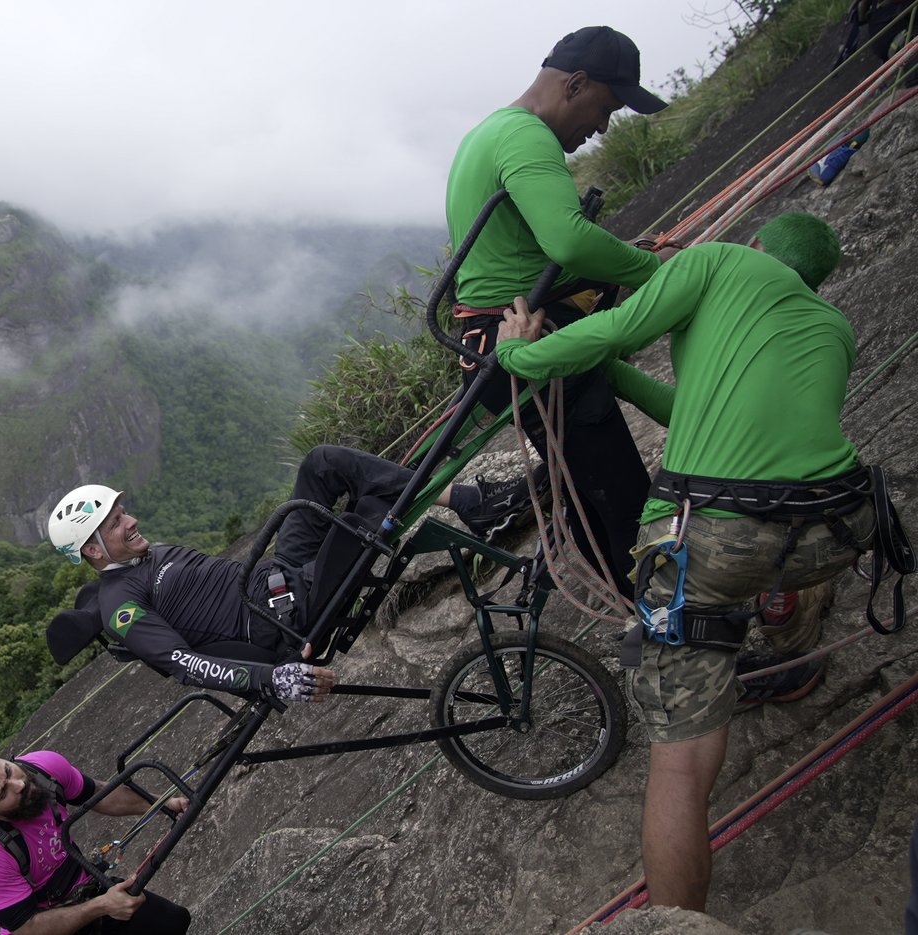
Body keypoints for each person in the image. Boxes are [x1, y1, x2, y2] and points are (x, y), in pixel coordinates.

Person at [494, 212, 875, 910]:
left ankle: (678, 925)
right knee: (774, 555)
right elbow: (693, 408)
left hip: (714, 536)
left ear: (756, 243)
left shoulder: (719, 261)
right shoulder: (831, 327)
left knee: (681, 755)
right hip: (839, 525)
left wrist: (521, 354)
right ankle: (787, 623)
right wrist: (603, 369)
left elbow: (618, 327)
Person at [444, 25, 676, 597]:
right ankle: (670, 642)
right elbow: (568, 242)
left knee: (593, 495)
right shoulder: (526, 138)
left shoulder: (490, 132)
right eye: (606, 108)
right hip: (528, 342)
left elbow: (528, 258)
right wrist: (663, 273)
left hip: (497, 341)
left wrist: (634, 254)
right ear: (575, 83)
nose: (602, 127)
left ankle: (632, 619)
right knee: (621, 499)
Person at [48, 445, 525, 703]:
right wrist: (271, 679)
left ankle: (472, 504)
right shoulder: (121, 606)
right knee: (371, 510)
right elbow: (183, 663)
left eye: (122, 510)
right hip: (292, 614)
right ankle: (478, 509)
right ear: (91, 549)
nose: (130, 520)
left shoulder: (148, 555)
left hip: (281, 575)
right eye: (115, 522)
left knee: (323, 464)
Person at [0, 749, 191, 935]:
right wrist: (101, 906)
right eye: (3, 793)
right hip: (44, 922)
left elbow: (96, 794)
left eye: (7, 770)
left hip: (86, 889)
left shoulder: (43, 768)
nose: (20, 784)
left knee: (173, 922)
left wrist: (162, 804)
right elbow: (26, 927)